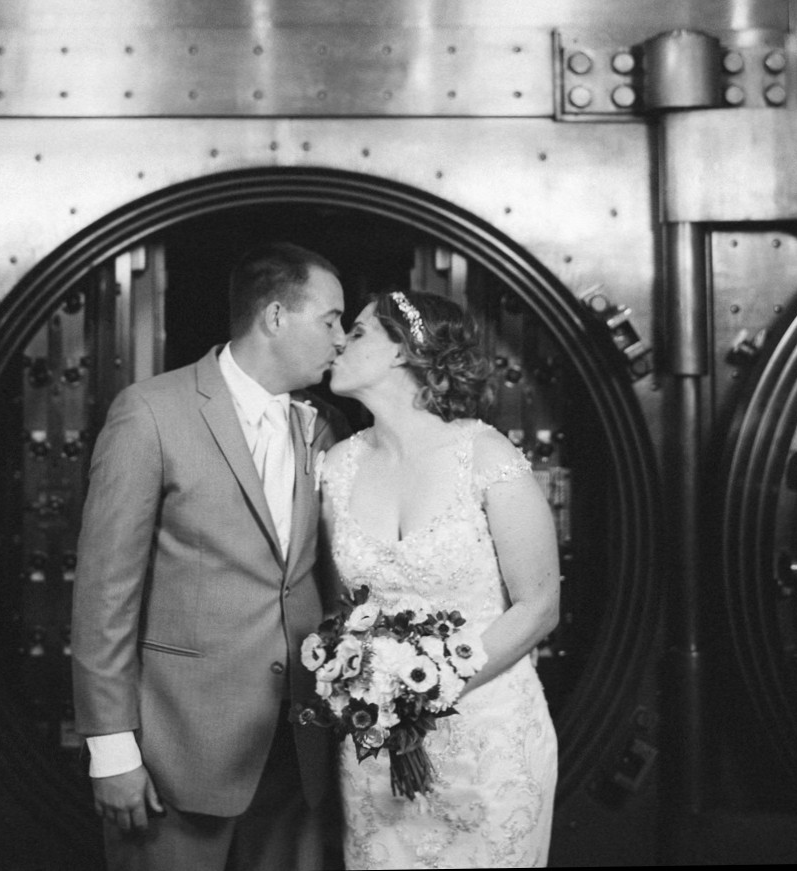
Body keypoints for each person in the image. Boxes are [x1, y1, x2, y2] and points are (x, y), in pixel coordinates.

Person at [72, 241, 347, 871]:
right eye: (330, 320)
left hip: (297, 748)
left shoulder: (324, 426)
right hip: (177, 752)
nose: (340, 340)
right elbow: (104, 594)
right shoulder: (150, 413)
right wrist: (112, 750)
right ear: (276, 316)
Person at [320, 288, 560, 867]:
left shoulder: (485, 455)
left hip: (489, 744)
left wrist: (427, 690)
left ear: (403, 352)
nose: (336, 344)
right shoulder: (337, 467)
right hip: (375, 750)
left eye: (356, 333)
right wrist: (371, 692)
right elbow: (340, 610)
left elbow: (539, 606)